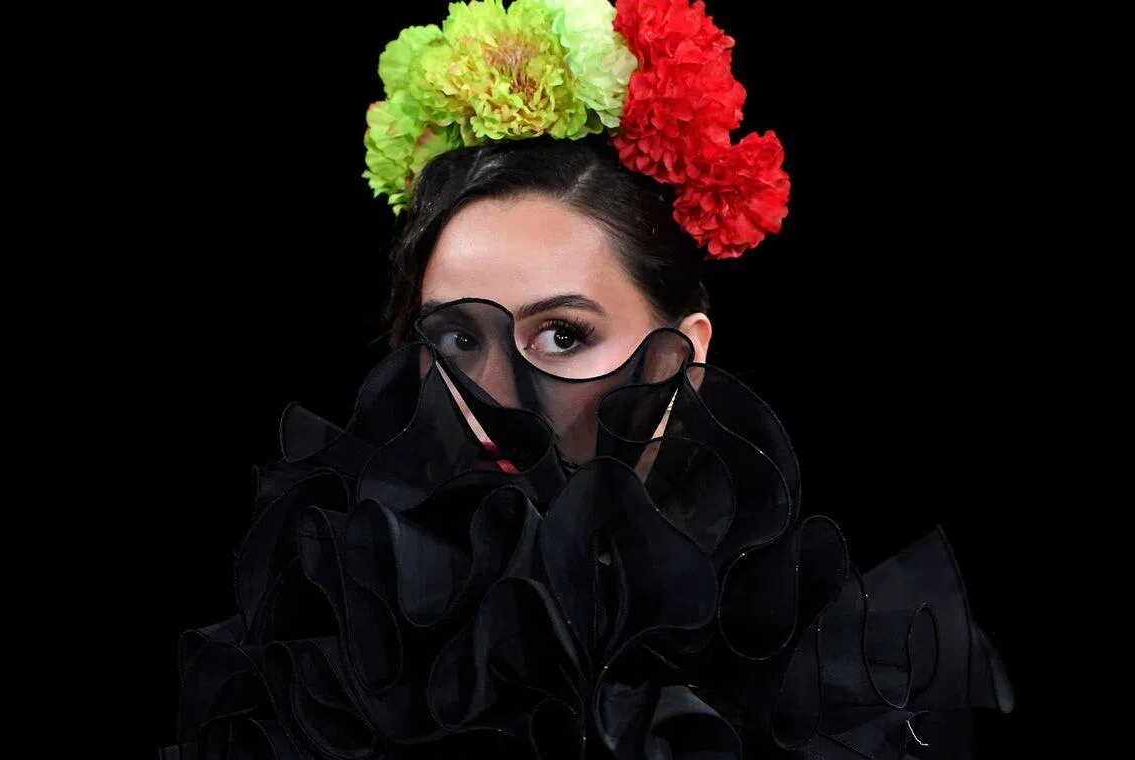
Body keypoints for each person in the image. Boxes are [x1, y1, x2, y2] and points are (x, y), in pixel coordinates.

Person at [160, 1, 1013, 758]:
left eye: (563, 334)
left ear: (685, 354)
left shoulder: (824, 670)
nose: (494, 395)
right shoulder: (318, 645)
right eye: (456, 336)